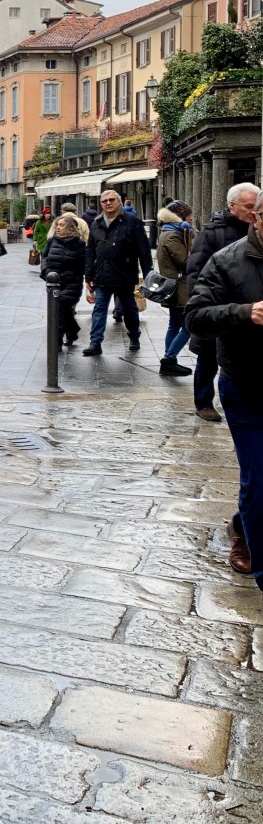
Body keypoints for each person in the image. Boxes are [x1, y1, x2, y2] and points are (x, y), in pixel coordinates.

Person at [187, 187, 263, 603]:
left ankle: (242, 524)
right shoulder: (226, 259)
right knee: (260, 476)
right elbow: (195, 316)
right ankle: (256, 555)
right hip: (247, 384)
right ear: (256, 218)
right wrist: (245, 312)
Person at [185, 182, 261, 424]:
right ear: (232, 205)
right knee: (208, 358)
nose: (252, 212)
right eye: (248, 206)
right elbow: (195, 272)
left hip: (248, 321)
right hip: (220, 310)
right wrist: (207, 303)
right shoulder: (213, 233)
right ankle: (204, 402)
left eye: (255, 207)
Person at [82, 190, 152, 356]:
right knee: (99, 309)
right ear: (101, 204)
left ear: (119, 202)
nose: (108, 203)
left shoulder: (132, 222)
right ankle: (95, 343)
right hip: (102, 275)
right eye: (104, 201)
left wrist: (148, 274)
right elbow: (90, 251)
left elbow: (143, 250)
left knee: (129, 309)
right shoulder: (96, 223)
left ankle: (134, 336)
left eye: (111, 200)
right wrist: (88, 276)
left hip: (124, 275)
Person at [156, 200, 194, 378]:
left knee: (174, 325)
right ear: (180, 217)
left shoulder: (169, 232)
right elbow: (186, 262)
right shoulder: (172, 235)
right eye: (189, 215)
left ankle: (169, 360)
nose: (191, 218)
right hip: (179, 287)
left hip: (174, 286)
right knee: (187, 327)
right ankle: (169, 359)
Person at [41, 214, 86, 347]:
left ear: (70, 227)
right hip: (54, 282)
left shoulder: (79, 244)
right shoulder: (51, 241)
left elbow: (83, 264)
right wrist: (46, 271)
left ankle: (57, 341)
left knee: (61, 308)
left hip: (71, 283)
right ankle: (72, 331)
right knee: (60, 310)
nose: (58, 228)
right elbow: (44, 257)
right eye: (57, 225)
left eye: (61, 225)